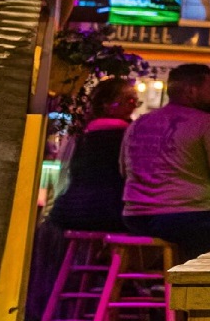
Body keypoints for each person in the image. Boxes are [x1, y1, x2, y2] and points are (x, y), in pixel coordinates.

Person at [121, 63, 210, 260]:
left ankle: (158, 283)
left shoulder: (139, 123)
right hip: (189, 217)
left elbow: (124, 172)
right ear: (191, 91)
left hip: (134, 217)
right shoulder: (209, 123)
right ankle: (196, 288)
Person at [46, 76, 141, 233]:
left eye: (136, 102)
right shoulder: (127, 136)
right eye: (129, 101)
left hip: (68, 210)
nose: (134, 107)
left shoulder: (82, 134)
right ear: (107, 105)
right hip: (110, 213)